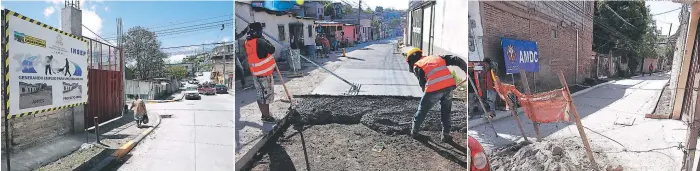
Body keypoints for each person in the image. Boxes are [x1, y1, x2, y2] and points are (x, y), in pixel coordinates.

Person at [405, 48, 469, 143]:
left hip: (433, 90)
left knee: (422, 110)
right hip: (449, 87)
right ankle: (445, 135)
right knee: (446, 111)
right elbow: (456, 59)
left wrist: (428, 96)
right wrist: (466, 70)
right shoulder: (437, 57)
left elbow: (423, 84)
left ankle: (414, 132)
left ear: (411, 60)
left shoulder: (417, 66)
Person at [245, 22, 278, 123]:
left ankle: (264, 115)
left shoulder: (248, 41)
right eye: (261, 30)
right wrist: (264, 39)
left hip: (256, 73)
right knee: (266, 97)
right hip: (264, 74)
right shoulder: (260, 41)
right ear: (258, 31)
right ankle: (267, 117)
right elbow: (272, 49)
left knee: (261, 96)